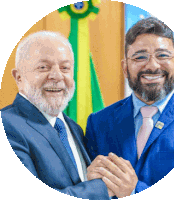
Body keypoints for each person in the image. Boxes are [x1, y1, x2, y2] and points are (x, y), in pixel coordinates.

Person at [85, 17, 174, 197]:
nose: (152, 66)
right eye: (140, 57)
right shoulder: (98, 122)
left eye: (162, 55)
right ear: (125, 67)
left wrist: (133, 190)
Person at [1, 31, 110, 200]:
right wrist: (103, 187)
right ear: (19, 77)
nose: (57, 76)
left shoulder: (73, 127)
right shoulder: (8, 126)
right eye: (43, 67)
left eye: (65, 68)